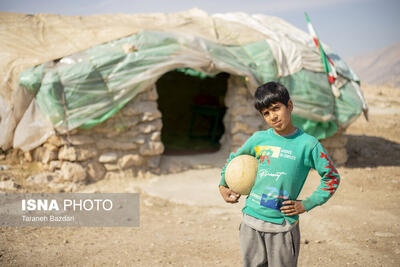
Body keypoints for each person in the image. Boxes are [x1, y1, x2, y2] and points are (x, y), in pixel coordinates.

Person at [219, 81, 340, 267]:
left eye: (276, 108)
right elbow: (234, 160)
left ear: (289, 106)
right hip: (250, 221)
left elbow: (331, 177)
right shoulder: (259, 139)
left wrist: (307, 203)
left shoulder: (308, 145)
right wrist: (223, 184)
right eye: (266, 113)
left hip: (282, 226)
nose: (272, 116)